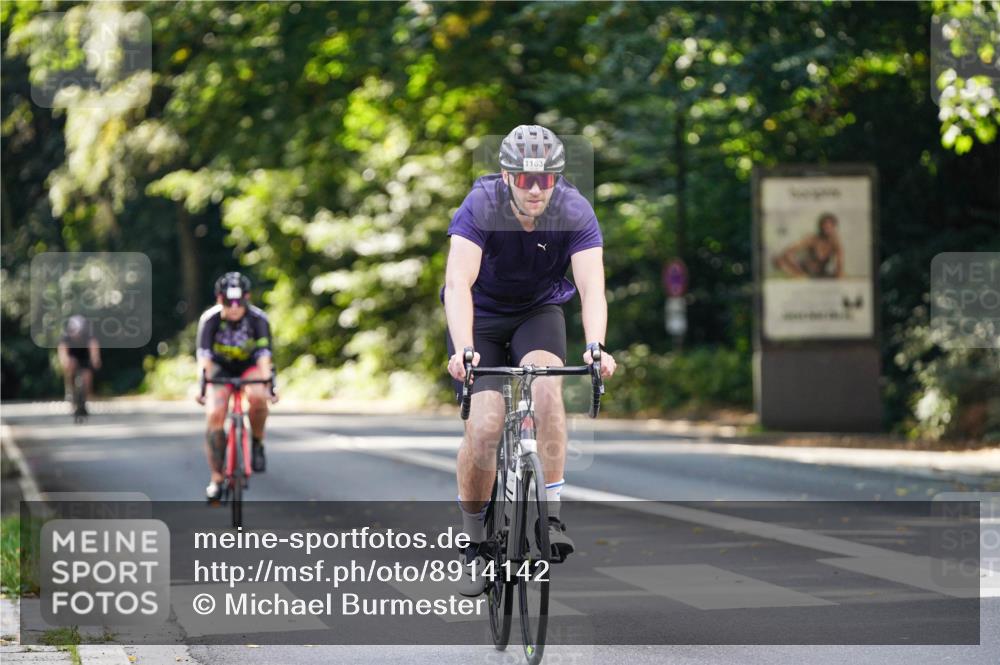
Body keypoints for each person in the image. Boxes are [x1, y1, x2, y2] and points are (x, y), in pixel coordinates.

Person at [443, 124, 616, 596]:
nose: (536, 189)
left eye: (545, 179)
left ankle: (551, 518)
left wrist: (596, 345)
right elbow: (457, 284)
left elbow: (592, 288)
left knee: (547, 390)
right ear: (506, 176)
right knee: (484, 428)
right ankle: (474, 542)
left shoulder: (574, 210)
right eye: (525, 179)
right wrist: (463, 348)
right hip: (481, 317)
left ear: (556, 179)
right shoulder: (481, 205)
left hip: (537, 313)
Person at [195, 272, 276, 502]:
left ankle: (257, 441)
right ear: (218, 299)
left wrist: (269, 386)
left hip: (249, 366)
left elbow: (264, 356)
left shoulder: (258, 319)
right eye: (227, 302)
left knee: (258, 397)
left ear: (246, 299)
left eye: (238, 302)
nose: (233, 308)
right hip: (220, 368)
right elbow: (205, 359)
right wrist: (203, 386)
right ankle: (216, 478)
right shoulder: (210, 320)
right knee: (215, 414)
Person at [772, 212, 844, 279]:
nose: (827, 228)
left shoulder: (835, 242)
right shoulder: (812, 239)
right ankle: (798, 274)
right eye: (825, 226)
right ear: (820, 227)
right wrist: (798, 271)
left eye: (830, 226)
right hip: (805, 270)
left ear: (834, 227)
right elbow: (789, 251)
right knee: (780, 260)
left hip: (820, 273)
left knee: (838, 275)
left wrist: (838, 275)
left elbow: (839, 263)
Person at [57, 315, 101, 416]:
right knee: (70, 365)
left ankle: (85, 399)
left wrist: (95, 359)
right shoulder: (66, 336)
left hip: (84, 357)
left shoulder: (89, 336)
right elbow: (62, 352)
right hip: (72, 356)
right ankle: (70, 390)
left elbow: (94, 349)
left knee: (87, 377)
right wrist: (65, 361)